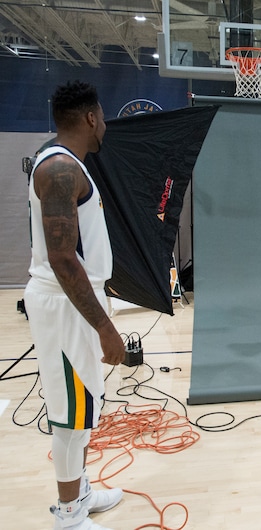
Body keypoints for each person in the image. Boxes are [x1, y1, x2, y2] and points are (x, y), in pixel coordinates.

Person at [24, 81, 125, 529]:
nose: (104, 125)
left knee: (82, 406)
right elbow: (63, 259)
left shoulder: (66, 164)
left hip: (75, 302)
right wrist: (104, 326)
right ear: (89, 118)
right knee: (69, 413)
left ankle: (79, 491)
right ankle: (68, 516)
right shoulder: (61, 169)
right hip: (65, 305)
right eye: (102, 117)